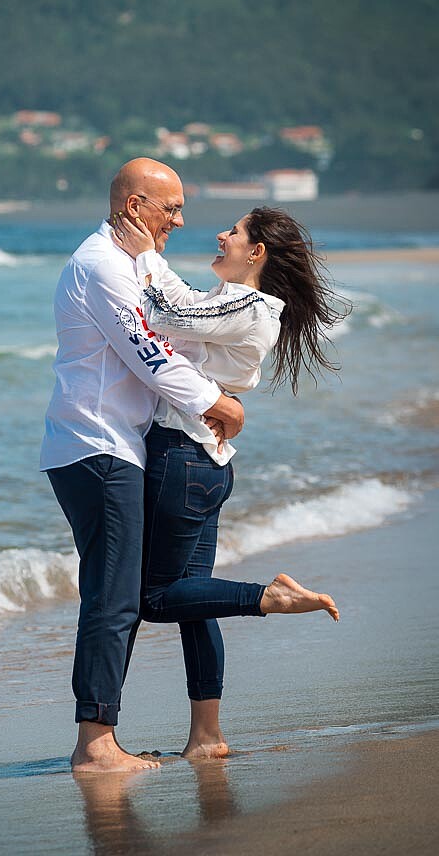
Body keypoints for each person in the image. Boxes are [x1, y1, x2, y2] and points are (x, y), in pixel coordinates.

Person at [112, 207, 347, 759]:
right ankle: (207, 737)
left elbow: (162, 313)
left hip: (182, 459)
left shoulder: (251, 306)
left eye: (235, 232)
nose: (222, 235)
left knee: (154, 598)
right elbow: (184, 301)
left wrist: (141, 255)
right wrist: (152, 253)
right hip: (203, 464)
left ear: (257, 251)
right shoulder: (235, 302)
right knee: (194, 603)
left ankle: (270, 597)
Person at [40, 158, 246, 774]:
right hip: (97, 446)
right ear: (135, 206)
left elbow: (179, 312)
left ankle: (101, 736)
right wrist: (216, 403)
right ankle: (94, 744)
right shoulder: (101, 265)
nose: (179, 221)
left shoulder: (134, 259)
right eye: (171, 208)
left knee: (123, 595)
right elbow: (148, 353)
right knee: (113, 597)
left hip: (118, 445)